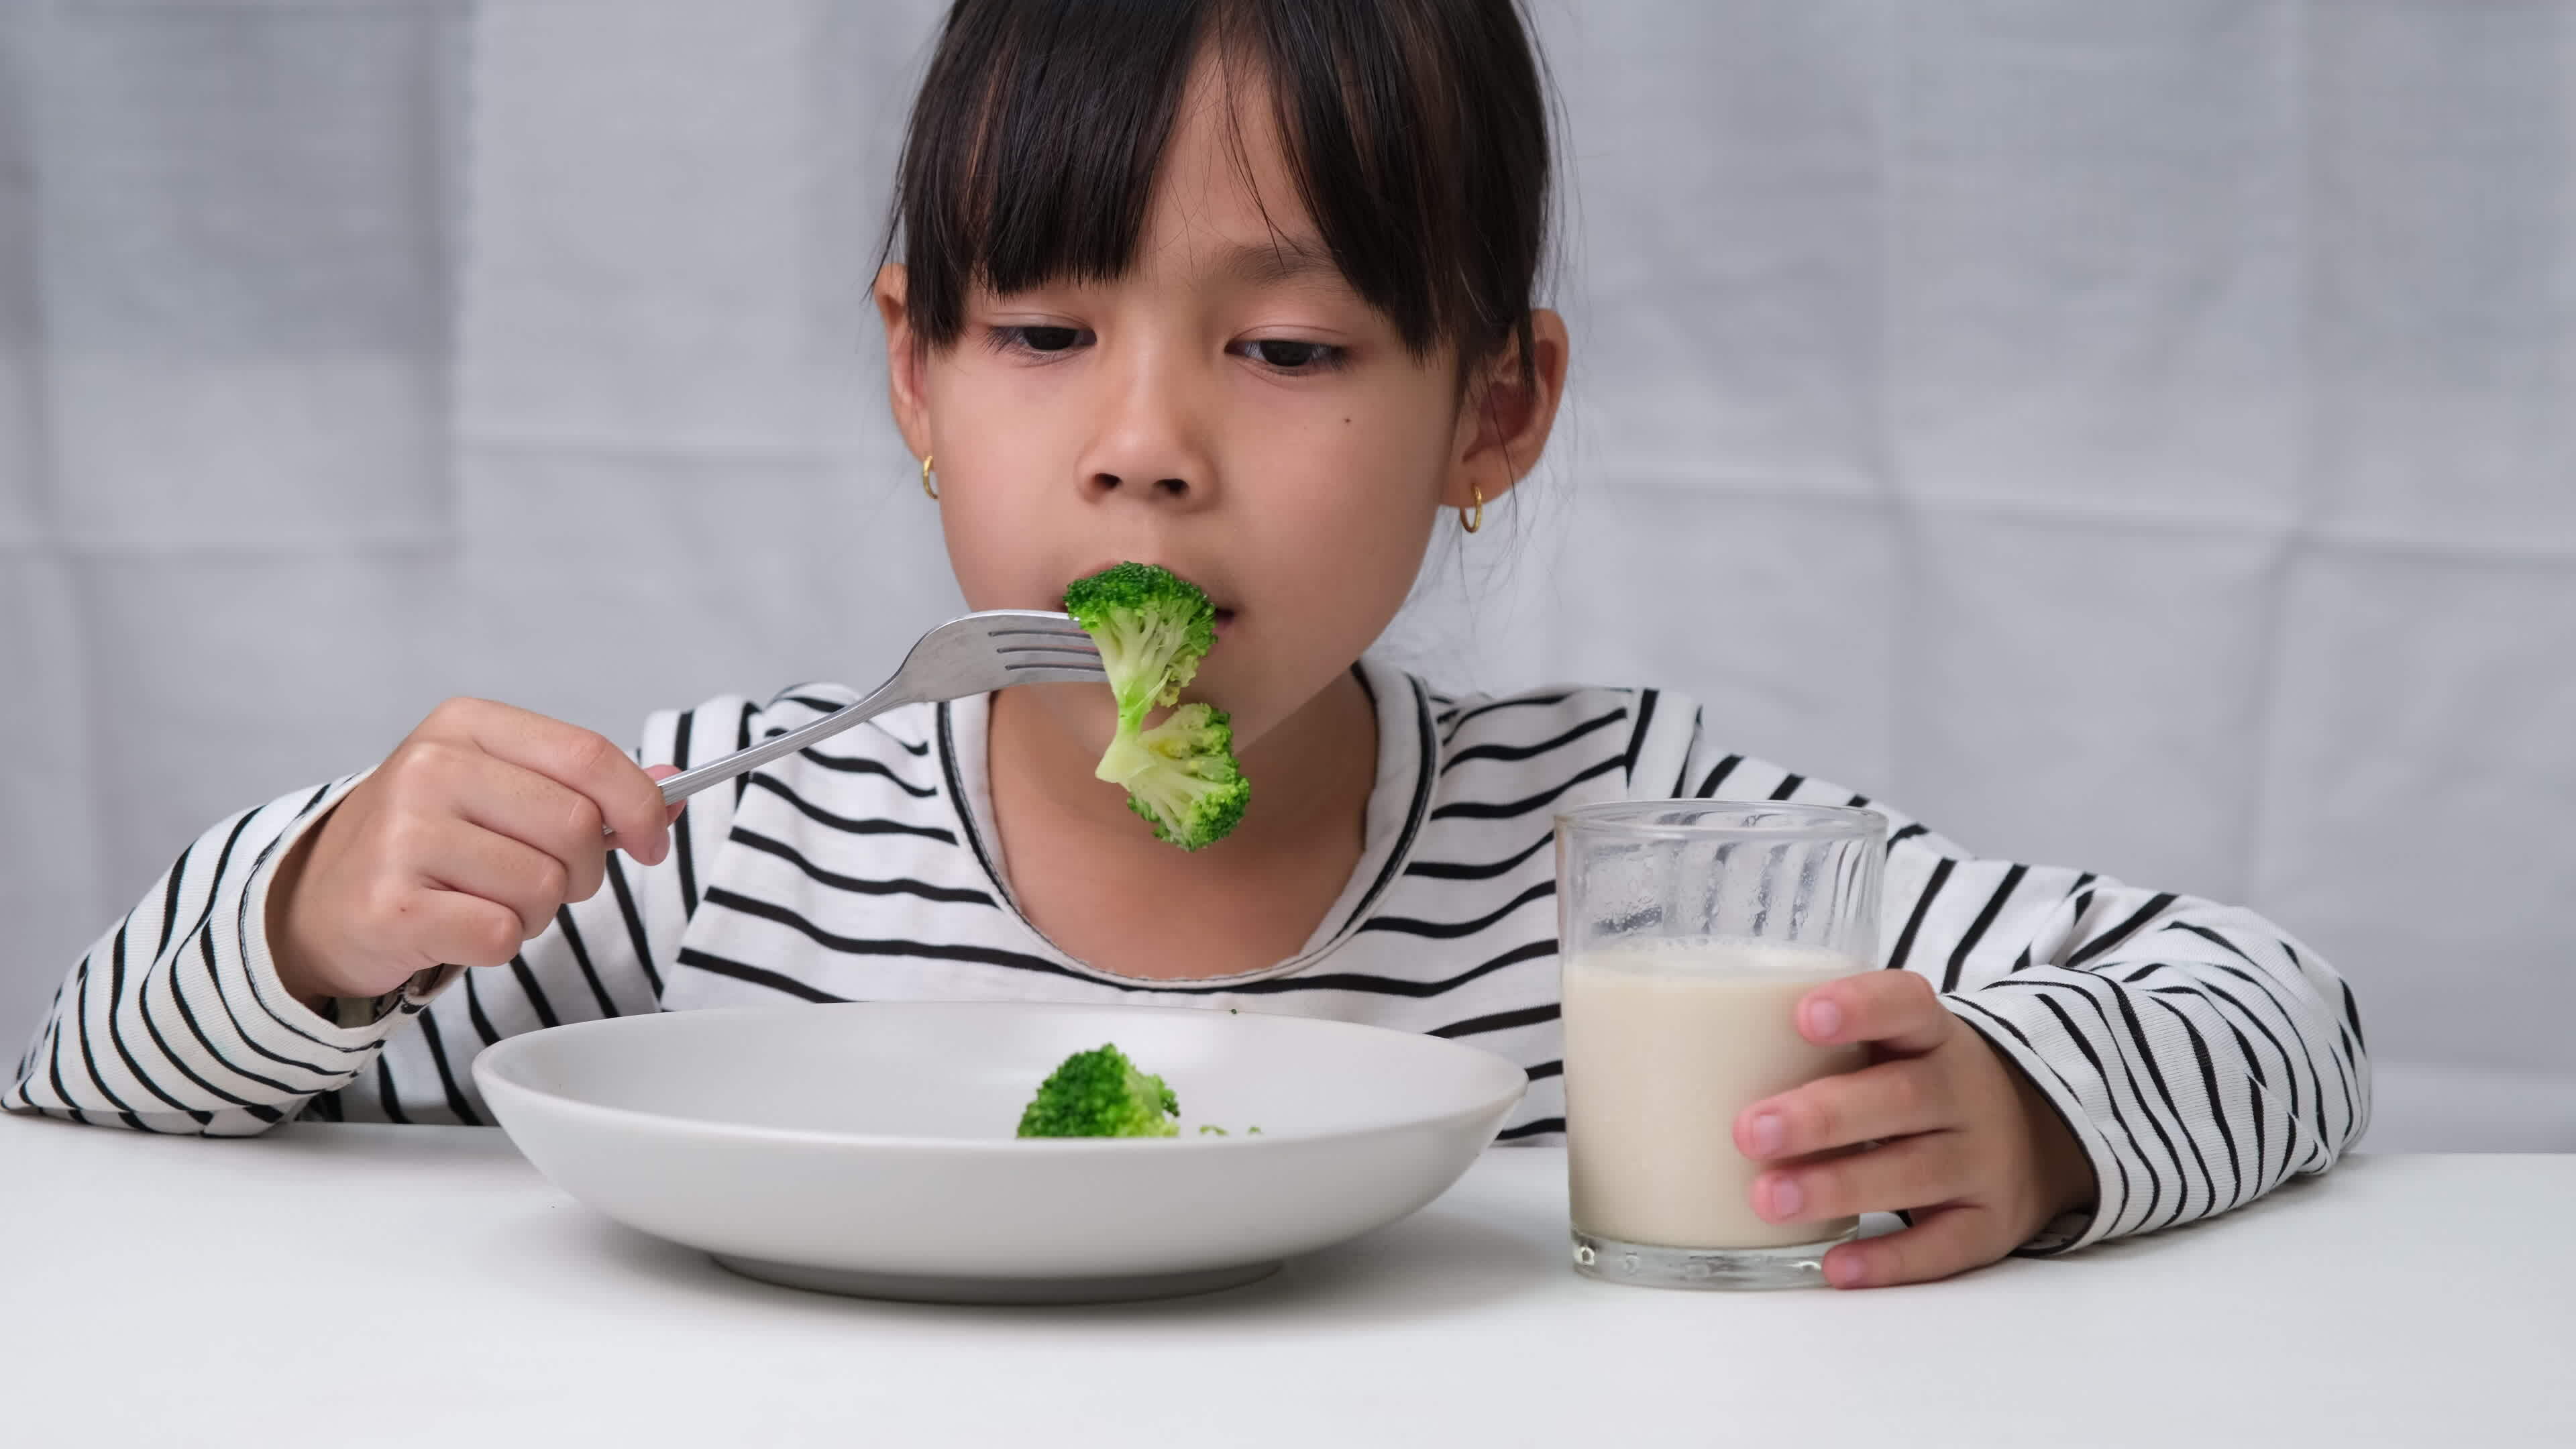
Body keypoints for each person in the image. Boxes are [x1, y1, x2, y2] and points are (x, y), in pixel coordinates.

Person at [3, 0, 2366, 1290]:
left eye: (1296, 352)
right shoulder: (706, 850)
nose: (1144, 450)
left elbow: (2277, 999)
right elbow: (90, 1097)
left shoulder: (1634, 867)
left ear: (1498, 410)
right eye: (1041, 332)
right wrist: (313, 916)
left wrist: (2043, 1120)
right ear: (911, 376)